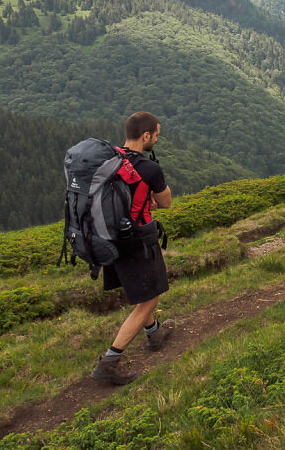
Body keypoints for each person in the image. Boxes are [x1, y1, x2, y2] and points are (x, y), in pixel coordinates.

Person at [90, 112, 174, 385]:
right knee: (150, 299)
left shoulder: (108, 159)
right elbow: (166, 202)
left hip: (110, 238)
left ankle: (154, 333)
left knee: (142, 292)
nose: (157, 140)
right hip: (137, 241)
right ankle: (110, 360)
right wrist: (148, 195)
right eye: (156, 135)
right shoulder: (149, 168)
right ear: (146, 135)